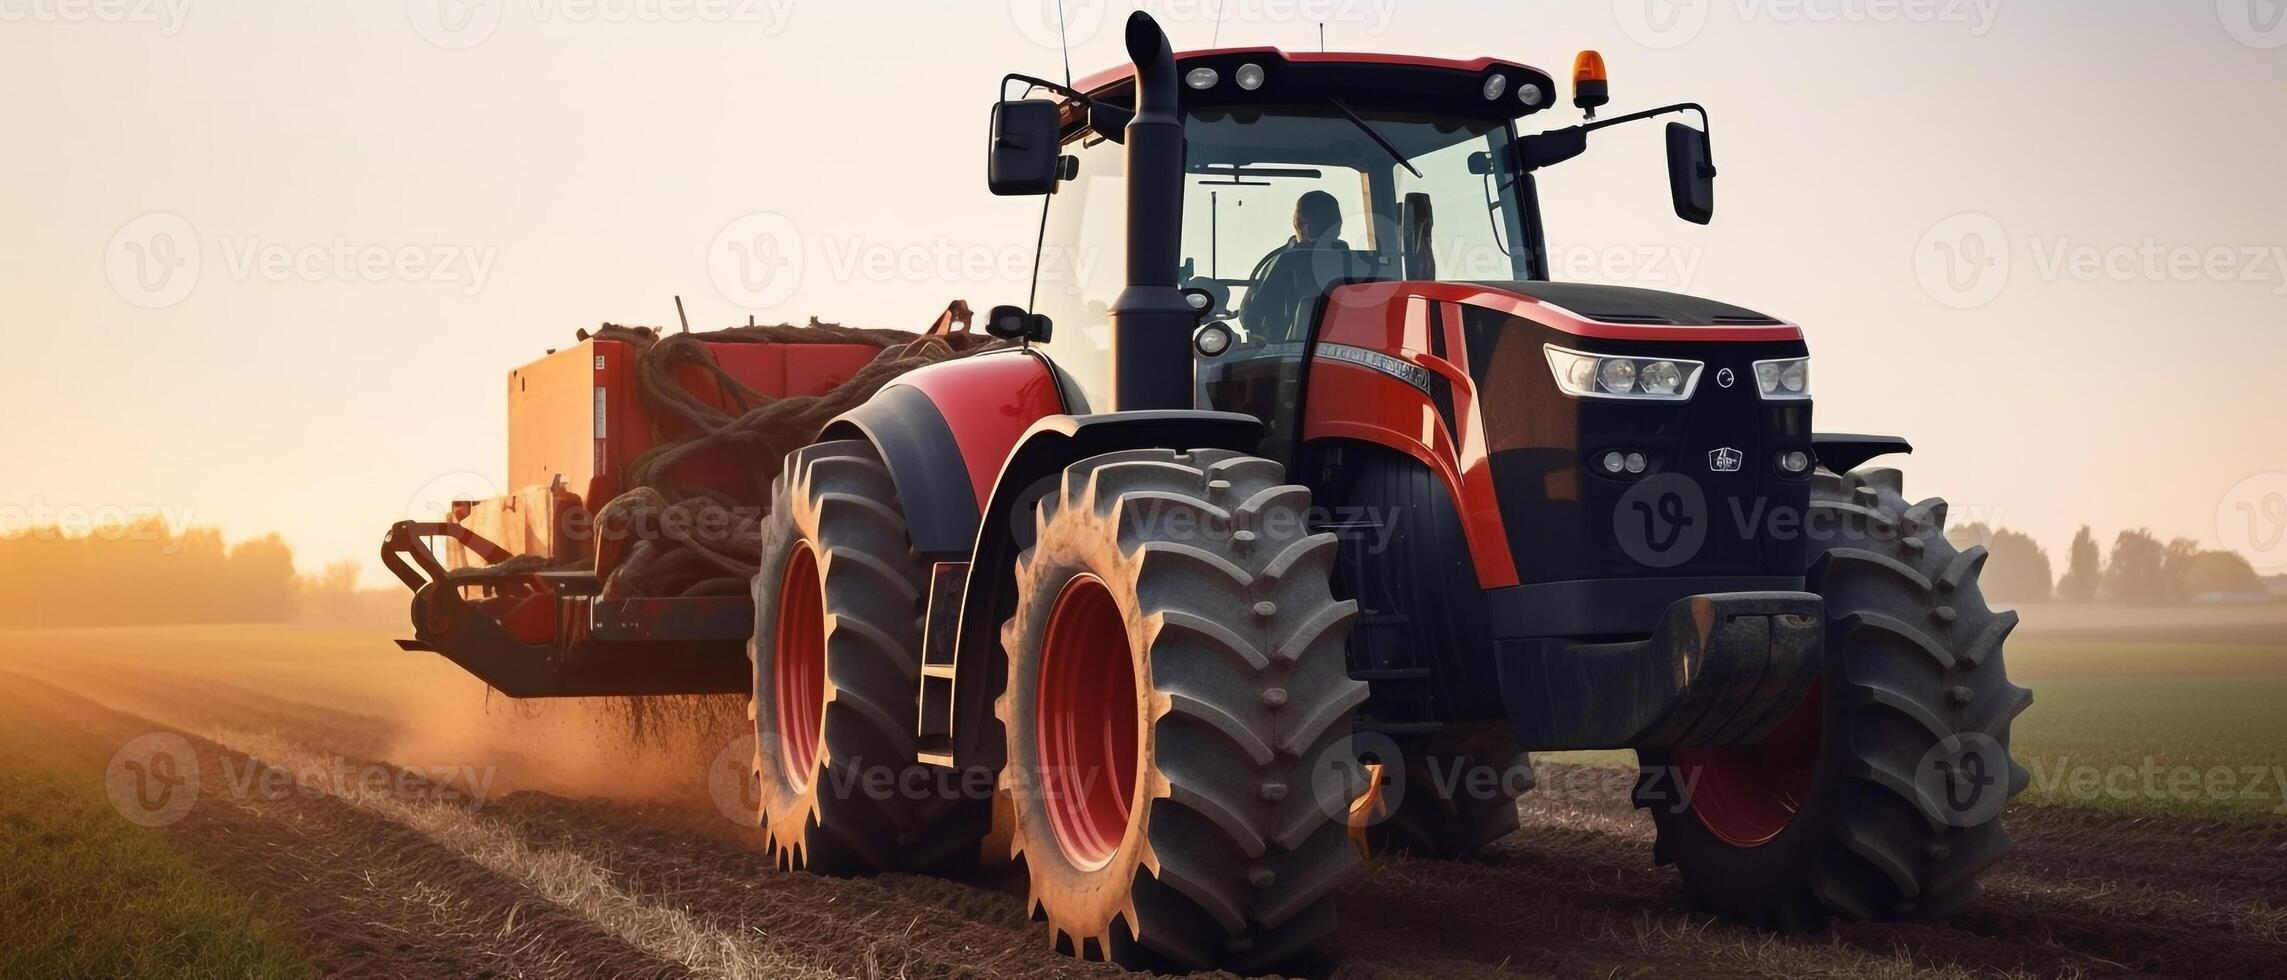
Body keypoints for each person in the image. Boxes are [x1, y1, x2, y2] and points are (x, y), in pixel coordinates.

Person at [1240, 190, 1366, 339]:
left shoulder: (1283, 262)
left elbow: (1249, 318)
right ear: (1338, 225)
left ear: (1300, 223)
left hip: (1287, 356)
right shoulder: (1364, 264)